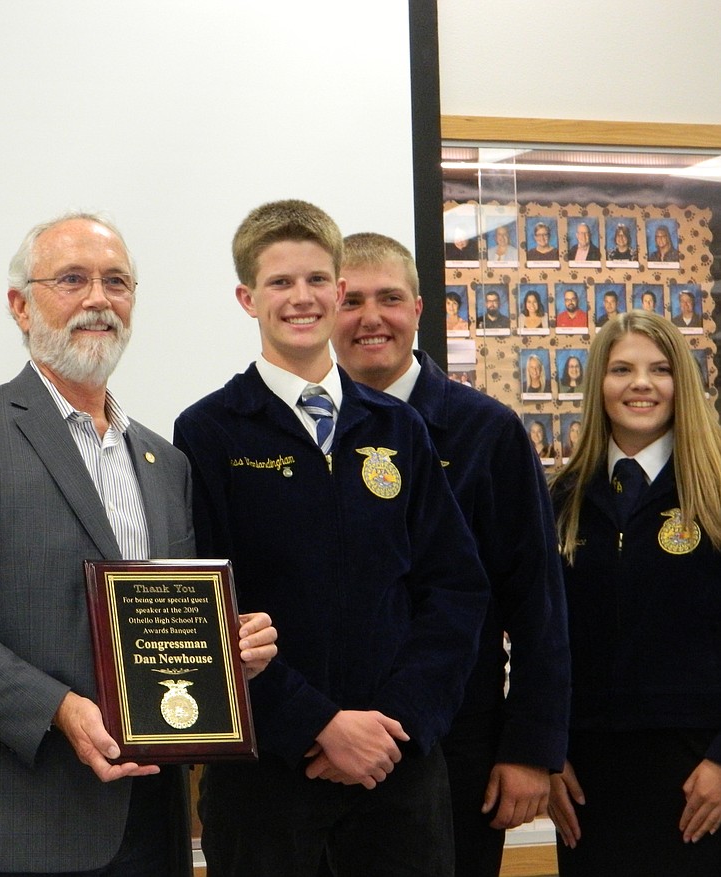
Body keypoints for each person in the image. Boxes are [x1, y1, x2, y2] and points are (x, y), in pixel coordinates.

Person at [0, 212, 278, 877]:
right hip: (17, 827)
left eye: (117, 281)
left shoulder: (162, 460)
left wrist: (226, 653)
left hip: (151, 823)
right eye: (72, 279)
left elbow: (160, 621)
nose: (99, 299)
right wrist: (57, 708)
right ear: (20, 305)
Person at [174, 201, 489, 876]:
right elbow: (206, 612)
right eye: (280, 283)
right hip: (269, 775)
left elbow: (455, 589)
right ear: (246, 297)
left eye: (317, 279)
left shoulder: (397, 429)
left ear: (338, 288)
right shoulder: (210, 432)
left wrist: (392, 725)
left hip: (395, 771)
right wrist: (319, 725)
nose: (301, 297)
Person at [330, 232, 568, 877]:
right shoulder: (299, 434)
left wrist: (530, 749)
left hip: (458, 740)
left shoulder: (486, 431)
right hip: (329, 742)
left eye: (390, 298)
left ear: (419, 309)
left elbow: (537, 600)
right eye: (351, 300)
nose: (370, 317)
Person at [548, 310, 721, 875]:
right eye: (621, 368)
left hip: (699, 773)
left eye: (660, 369)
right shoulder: (562, 500)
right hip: (585, 775)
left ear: (683, 385)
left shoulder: (715, 494)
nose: (641, 383)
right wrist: (545, 752)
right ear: (598, 383)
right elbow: (539, 640)